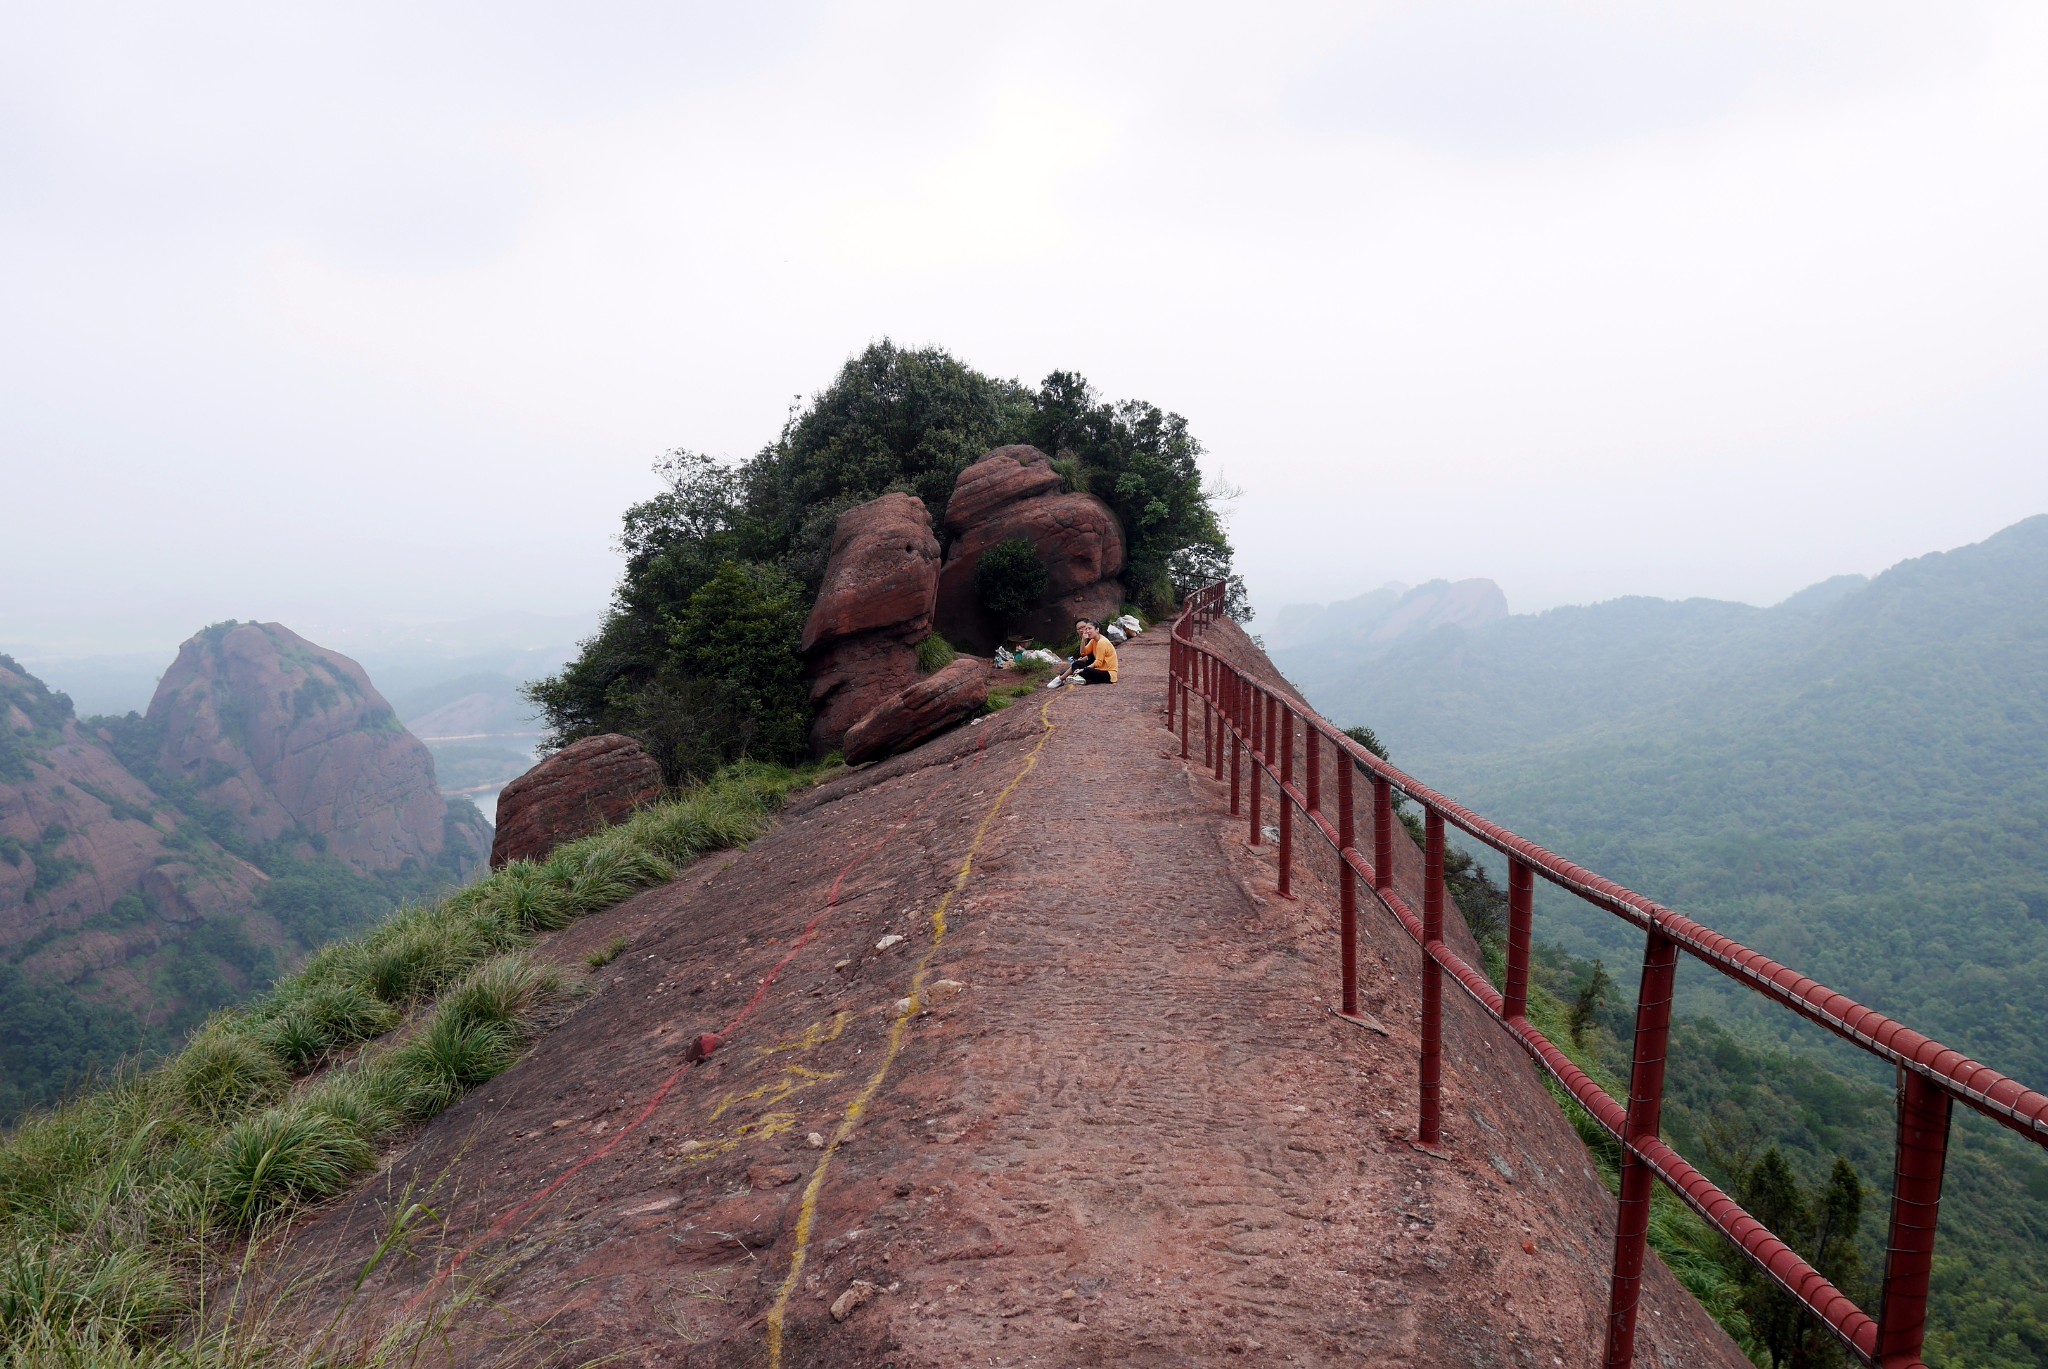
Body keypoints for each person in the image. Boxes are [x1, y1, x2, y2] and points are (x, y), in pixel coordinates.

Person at [1053, 618, 1118, 686]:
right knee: (1076, 664)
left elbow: (1098, 663)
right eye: (1086, 629)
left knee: (1087, 671)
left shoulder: (1102, 642)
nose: (1087, 631)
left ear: (1097, 629)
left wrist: (1083, 669)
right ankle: (1078, 677)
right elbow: (1083, 653)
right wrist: (1083, 640)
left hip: (1108, 674)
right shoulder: (1093, 641)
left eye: (1090, 629)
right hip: (1099, 669)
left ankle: (1076, 677)